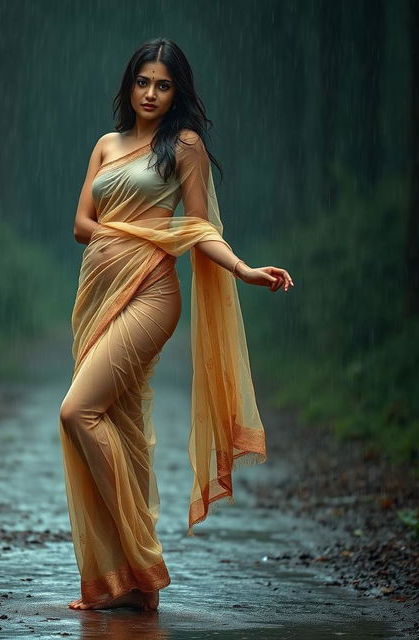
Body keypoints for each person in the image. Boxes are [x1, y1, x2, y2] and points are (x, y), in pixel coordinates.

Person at [58, 37, 293, 613]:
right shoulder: (106, 145)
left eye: (163, 85)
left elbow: (196, 227)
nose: (151, 93)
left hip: (152, 294)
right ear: (129, 84)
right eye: (143, 81)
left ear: (176, 92)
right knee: (116, 421)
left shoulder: (183, 146)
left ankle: (144, 559)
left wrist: (243, 269)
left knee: (77, 411)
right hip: (98, 294)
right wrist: (132, 232)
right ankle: (127, 584)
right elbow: (82, 225)